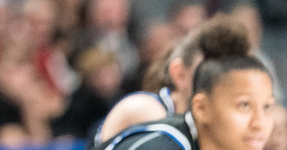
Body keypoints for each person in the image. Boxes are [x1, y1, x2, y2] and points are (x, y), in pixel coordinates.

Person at [93, 12, 252, 145]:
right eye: (209, 73)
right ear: (179, 74)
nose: (218, 84)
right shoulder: (146, 110)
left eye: (227, 77)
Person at [93, 52, 275, 150]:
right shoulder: (161, 146)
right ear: (202, 108)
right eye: (244, 105)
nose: (259, 123)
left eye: (267, 107)